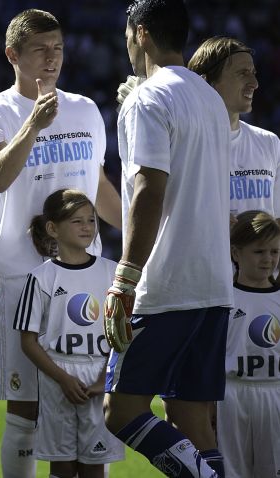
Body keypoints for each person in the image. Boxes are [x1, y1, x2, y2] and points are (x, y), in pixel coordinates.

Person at [0, 9, 120, 476]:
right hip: (23, 276)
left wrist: (136, 238)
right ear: (13, 54)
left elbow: (97, 183)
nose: (52, 58)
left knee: (89, 402)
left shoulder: (85, 109)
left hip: (86, 278)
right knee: (25, 412)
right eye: (40, 49)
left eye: (58, 48)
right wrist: (32, 124)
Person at [102, 1, 233, 477]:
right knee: (192, 420)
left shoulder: (147, 99)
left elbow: (149, 189)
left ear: (141, 34)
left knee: (121, 412)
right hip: (215, 281)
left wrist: (125, 278)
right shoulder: (211, 99)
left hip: (167, 282)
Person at [13, 189, 124, 478]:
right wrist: (62, 378)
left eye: (91, 220)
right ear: (53, 228)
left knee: (94, 465)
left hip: (100, 376)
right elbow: (28, 340)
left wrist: (104, 378)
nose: (87, 227)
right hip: (57, 378)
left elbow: (123, 333)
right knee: (61, 464)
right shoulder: (41, 277)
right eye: (77, 221)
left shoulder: (111, 272)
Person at [188, 37, 280, 217]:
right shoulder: (184, 146)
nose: (255, 83)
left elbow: (276, 223)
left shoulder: (270, 143)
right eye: (243, 73)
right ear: (206, 82)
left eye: (253, 72)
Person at [221, 210, 280, 478]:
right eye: (259, 252)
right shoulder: (223, 301)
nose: (268, 259)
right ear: (236, 253)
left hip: (275, 393)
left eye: (275, 251)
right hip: (232, 397)